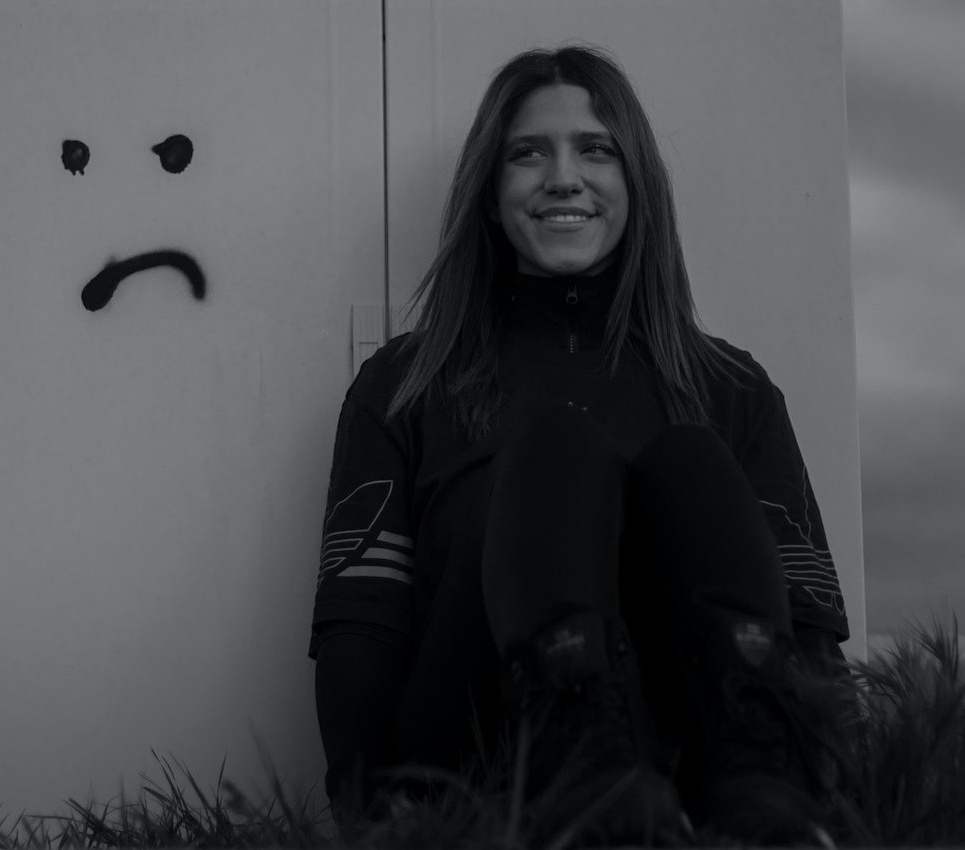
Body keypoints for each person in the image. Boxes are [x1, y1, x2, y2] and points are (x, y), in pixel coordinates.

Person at [308, 44, 852, 848]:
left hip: (698, 786)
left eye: (595, 150)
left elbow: (807, 643)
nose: (563, 176)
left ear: (636, 186)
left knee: (690, 463)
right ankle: (591, 793)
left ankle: (758, 804)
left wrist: (824, 788)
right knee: (559, 448)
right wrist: (374, 819)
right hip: (475, 779)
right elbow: (361, 637)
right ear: (491, 197)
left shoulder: (734, 388)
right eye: (528, 153)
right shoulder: (403, 385)